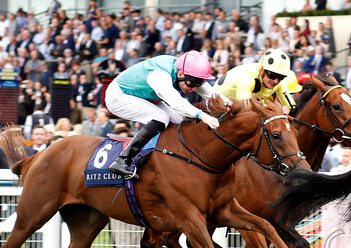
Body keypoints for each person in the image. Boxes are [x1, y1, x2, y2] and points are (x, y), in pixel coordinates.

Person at [105, 50, 220, 180]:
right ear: (181, 74)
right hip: (119, 96)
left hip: (143, 95)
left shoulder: (183, 71)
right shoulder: (159, 76)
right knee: (161, 117)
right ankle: (122, 160)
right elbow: (176, 102)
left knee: (179, 120)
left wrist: (229, 104)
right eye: (191, 84)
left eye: (198, 84)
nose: (194, 89)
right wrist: (202, 115)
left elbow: (213, 94)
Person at [214, 48, 301, 111]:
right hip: (218, 105)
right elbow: (246, 107)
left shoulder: (278, 82)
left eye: (281, 77)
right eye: (272, 75)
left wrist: (289, 109)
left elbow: (292, 107)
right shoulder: (247, 77)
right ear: (262, 70)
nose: (276, 81)